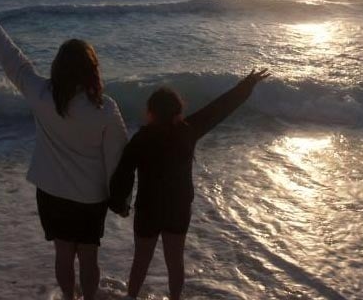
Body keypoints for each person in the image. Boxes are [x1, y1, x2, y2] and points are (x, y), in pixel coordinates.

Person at [0, 0, 128, 300]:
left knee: (63, 255)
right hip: (90, 197)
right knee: (89, 257)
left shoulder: (42, 96)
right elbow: (118, 157)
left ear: (58, 67)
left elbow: (13, 61)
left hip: (51, 193)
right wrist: (119, 196)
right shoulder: (105, 109)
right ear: (92, 70)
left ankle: (67, 298)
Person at [108, 69, 271, 300]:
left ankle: (131, 297)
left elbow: (123, 174)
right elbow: (219, 109)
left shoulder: (141, 139)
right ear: (178, 110)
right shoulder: (188, 131)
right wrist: (247, 84)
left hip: (148, 209)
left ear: (150, 112)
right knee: (175, 262)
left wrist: (119, 204)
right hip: (178, 208)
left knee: (140, 261)